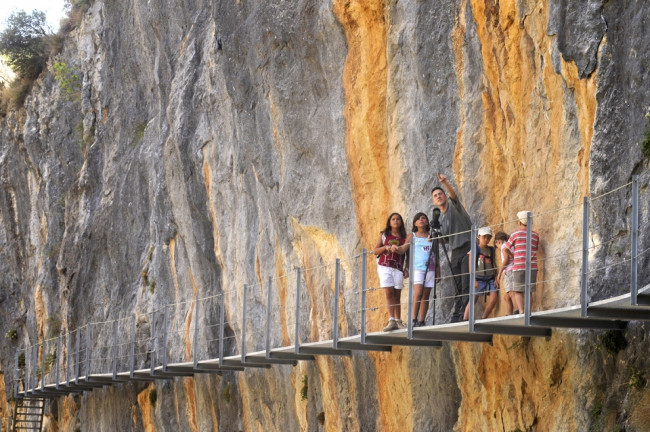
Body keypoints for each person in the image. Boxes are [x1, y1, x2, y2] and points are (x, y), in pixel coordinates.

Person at [431, 173, 472, 322]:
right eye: (435, 196)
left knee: (466, 283)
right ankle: (457, 313)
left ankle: (464, 316)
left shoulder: (455, 207)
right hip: (455, 251)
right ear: (433, 201)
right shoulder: (441, 219)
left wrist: (444, 182)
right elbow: (447, 240)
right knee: (458, 285)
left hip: (467, 247)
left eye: (440, 194)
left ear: (445, 196)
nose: (439, 196)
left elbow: (453, 194)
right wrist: (436, 237)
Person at [400, 213, 439, 327]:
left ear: (427, 222)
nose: (421, 220)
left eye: (423, 218)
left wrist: (438, 270)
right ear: (414, 223)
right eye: (418, 219)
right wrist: (394, 249)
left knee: (426, 294)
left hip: (431, 267)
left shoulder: (431, 236)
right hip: (417, 268)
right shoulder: (412, 236)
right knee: (418, 293)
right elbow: (403, 249)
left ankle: (422, 321)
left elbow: (436, 254)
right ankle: (413, 319)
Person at [373, 213, 408, 331]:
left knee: (397, 294)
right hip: (385, 266)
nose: (396, 221)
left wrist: (406, 268)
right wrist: (385, 248)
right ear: (389, 222)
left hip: (398, 267)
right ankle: (391, 319)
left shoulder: (404, 238)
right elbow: (375, 250)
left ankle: (398, 321)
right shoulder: (384, 235)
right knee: (389, 292)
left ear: (401, 222)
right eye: (393, 219)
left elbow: (407, 254)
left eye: (398, 219)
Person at [505, 211, 540, 314]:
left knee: (517, 290)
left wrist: (513, 256)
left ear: (519, 222)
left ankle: (521, 311)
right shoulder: (535, 235)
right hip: (532, 266)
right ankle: (528, 312)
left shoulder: (515, 235)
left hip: (519, 266)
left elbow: (506, 249)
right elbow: (535, 248)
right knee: (529, 291)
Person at [463, 227, 498, 320]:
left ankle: (484, 318)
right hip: (478, 278)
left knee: (494, 299)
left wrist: (496, 278)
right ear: (479, 237)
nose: (486, 240)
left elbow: (493, 263)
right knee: (473, 299)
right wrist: (473, 279)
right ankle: (465, 319)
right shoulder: (475, 249)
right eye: (484, 237)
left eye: (488, 237)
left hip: (490, 278)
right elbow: (471, 266)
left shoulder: (491, 250)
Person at [494, 231, 515, 315]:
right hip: (514, 270)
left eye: (497, 246)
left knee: (511, 293)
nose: (498, 248)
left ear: (498, 241)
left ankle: (517, 311)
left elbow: (506, 260)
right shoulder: (511, 246)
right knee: (506, 297)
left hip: (509, 272)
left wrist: (499, 274)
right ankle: (509, 314)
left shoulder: (503, 247)